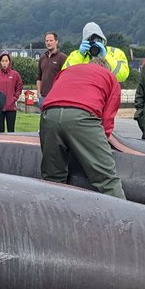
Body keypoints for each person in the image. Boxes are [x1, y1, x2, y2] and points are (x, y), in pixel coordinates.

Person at [39, 60, 125, 199]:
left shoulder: (68, 71)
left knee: (52, 178)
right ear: (107, 70)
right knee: (106, 179)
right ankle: (125, 217)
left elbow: (55, 93)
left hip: (49, 115)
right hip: (82, 116)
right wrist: (98, 144)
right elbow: (107, 120)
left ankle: (53, 214)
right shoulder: (110, 77)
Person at [61, 21, 129, 83]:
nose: (95, 43)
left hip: (107, 94)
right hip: (84, 93)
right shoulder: (76, 54)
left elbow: (122, 76)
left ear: (103, 40)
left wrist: (105, 57)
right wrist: (80, 55)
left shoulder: (116, 52)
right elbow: (65, 76)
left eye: (98, 40)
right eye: (91, 40)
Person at [0, 51, 22, 133]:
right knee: (0, 131)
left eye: (6, 61)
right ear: (0, 62)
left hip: (11, 107)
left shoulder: (15, 75)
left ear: (9, 62)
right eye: (2, 61)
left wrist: (14, 98)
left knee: (11, 130)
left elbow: (19, 87)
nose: (4, 63)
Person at [36, 31, 67, 106]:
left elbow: (66, 78)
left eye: (51, 40)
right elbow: (39, 77)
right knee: (43, 117)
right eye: (47, 41)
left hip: (57, 96)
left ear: (56, 41)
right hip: (43, 97)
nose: (48, 43)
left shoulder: (63, 58)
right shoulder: (42, 59)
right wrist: (39, 93)